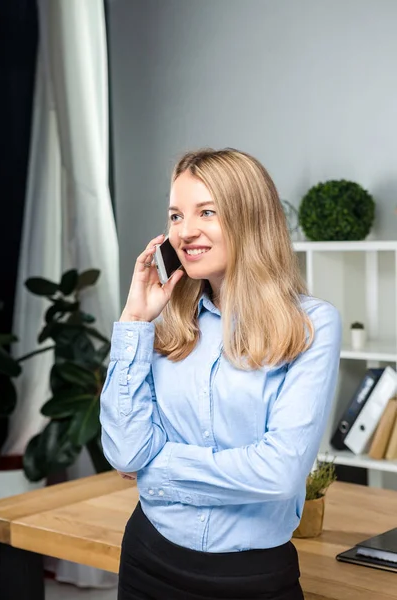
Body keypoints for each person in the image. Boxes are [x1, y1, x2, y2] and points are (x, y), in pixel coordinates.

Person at [100, 148, 342, 600]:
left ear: (250, 218)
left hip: (250, 578)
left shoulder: (312, 325)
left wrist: (158, 469)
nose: (184, 231)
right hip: (148, 557)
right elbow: (124, 451)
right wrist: (133, 321)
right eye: (175, 215)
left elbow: (278, 473)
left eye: (206, 212)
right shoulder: (162, 321)